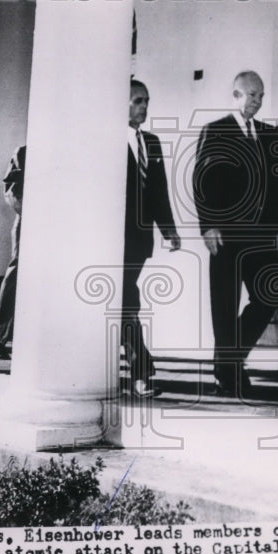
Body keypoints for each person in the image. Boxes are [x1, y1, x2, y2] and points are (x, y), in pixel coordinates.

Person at [193, 71, 278, 398]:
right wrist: (207, 225)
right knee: (225, 305)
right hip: (226, 237)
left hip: (261, 237)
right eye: (252, 95)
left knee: (269, 295)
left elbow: (276, 188)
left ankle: (228, 363)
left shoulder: (268, 134)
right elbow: (202, 181)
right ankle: (229, 374)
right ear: (236, 94)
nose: (257, 102)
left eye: (261, 95)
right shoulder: (215, 131)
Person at [124, 81, 181, 398]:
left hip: (139, 240)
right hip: (110, 240)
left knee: (122, 300)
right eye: (137, 101)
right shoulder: (104, 143)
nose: (143, 107)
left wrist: (169, 229)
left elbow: (159, 192)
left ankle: (139, 372)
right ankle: (141, 373)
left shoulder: (152, 142)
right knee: (126, 300)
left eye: (146, 101)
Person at [0, 145, 25, 360]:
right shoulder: (23, 152)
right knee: (17, 275)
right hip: (30, 222)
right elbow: (11, 192)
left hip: (61, 226)